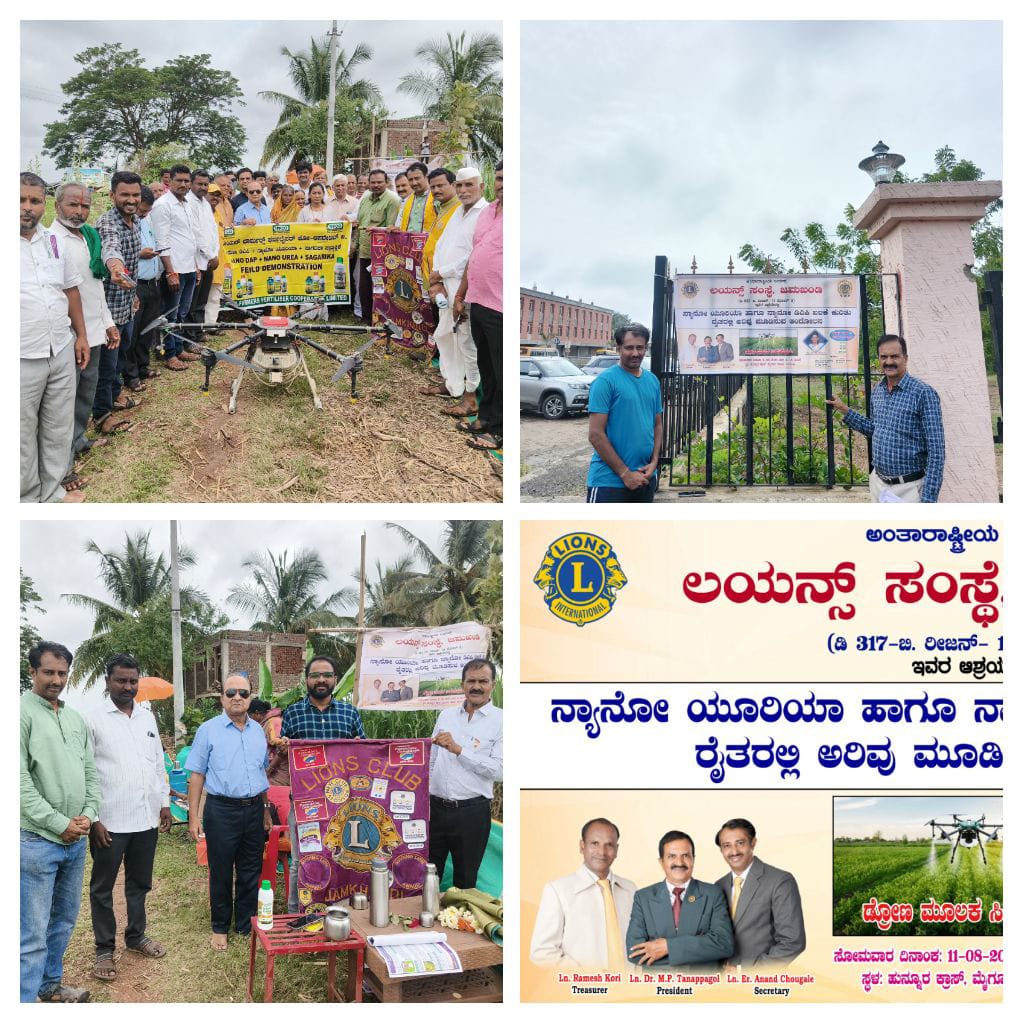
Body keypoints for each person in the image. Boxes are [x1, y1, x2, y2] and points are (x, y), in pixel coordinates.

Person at [20, 641, 100, 1002]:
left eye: (62, 673)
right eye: (48, 672)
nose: (56, 679)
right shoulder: (19, 713)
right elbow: (18, 784)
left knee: (64, 922)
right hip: (36, 840)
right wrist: (58, 823)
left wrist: (88, 814)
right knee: (31, 933)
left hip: (75, 840)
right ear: (32, 671)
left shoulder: (73, 718)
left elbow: (90, 773)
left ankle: (49, 987)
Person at [84, 654, 171, 982]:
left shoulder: (147, 718)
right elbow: (86, 770)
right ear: (108, 681)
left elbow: (158, 762)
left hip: (146, 819)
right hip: (109, 822)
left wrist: (164, 803)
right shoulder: (92, 719)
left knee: (139, 883)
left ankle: (135, 937)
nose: (127, 686)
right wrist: (93, 818)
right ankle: (104, 948)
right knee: (102, 887)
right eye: (120, 680)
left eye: (132, 680)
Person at [185, 675, 270, 950]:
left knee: (250, 869)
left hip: (255, 809)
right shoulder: (208, 730)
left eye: (243, 693)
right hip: (221, 810)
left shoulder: (258, 731)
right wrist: (194, 817)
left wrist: (266, 811)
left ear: (249, 697)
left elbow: (261, 773)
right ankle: (220, 926)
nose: (237, 697)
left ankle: (246, 924)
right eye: (231, 692)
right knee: (221, 870)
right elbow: (196, 775)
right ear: (222, 697)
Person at [21, 171, 88, 504]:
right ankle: (26, 499)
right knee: (20, 435)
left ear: (44, 204)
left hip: (60, 346)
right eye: (20, 200)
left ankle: (53, 492)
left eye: (34, 201)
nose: (27, 208)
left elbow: (71, 290)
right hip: (21, 355)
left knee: (58, 427)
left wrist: (81, 336)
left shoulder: (53, 241)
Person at [280, 655, 366, 913]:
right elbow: (284, 759)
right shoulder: (293, 713)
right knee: (301, 859)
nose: (321, 680)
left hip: (343, 803)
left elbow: (364, 753)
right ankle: (297, 912)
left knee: (341, 856)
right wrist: (286, 749)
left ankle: (337, 910)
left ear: (335, 680)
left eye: (326, 675)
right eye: (315, 675)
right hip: (305, 803)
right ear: (306, 680)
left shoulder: (349, 714)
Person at [48, 183, 117, 496]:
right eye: (73, 205)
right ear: (57, 205)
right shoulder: (51, 242)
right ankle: (62, 468)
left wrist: (108, 323)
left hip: (94, 331)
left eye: (85, 206)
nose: (79, 211)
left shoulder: (89, 236)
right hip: (69, 336)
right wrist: (80, 334)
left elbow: (95, 287)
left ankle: (79, 441)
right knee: (61, 404)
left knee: (85, 393)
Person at [825, 334, 945, 502]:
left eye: (894, 356)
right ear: (879, 359)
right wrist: (844, 409)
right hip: (879, 485)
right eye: (884, 357)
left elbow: (937, 451)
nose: (889, 362)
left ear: (906, 358)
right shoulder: (878, 391)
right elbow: (875, 429)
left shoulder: (923, 394)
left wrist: (928, 500)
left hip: (909, 489)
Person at [429, 658, 503, 889]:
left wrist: (460, 750)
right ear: (462, 685)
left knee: (465, 880)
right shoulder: (446, 716)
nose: (476, 686)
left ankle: (459, 923)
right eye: (471, 681)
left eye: (483, 681)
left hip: (471, 812)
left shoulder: (502, 720)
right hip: (435, 809)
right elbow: (432, 760)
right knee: (428, 876)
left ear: (493, 684)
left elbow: (500, 770)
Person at [530, 818, 637, 967]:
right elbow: (542, 952)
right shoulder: (557, 890)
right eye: (595, 844)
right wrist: (589, 977)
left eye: (609, 845)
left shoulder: (630, 889)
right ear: (582, 846)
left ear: (617, 850)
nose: (602, 852)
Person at [425, 167, 488, 416]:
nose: (463, 190)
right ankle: (452, 384)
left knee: (466, 342)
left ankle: (471, 396)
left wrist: (442, 273)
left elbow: (475, 257)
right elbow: (441, 245)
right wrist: (437, 279)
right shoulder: (456, 212)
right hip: (445, 285)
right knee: (445, 338)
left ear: (481, 187)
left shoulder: (485, 214)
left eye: (468, 185)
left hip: (466, 288)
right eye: (460, 185)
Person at [626, 830, 733, 972]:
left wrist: (667, 947)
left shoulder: (713, 893)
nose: (679, 862)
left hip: (704, 987)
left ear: (693, 859)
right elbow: (634, 952)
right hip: (658, 988)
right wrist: (699, 951)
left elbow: (723, 944)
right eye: (671, 856)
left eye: (686, 856)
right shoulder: (643, 897)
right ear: (661, 862)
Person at [454, 163, 503, 454]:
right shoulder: (488, 212)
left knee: (502, 370)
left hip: (500, 306)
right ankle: (485, 418)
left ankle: (499, 431)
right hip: (478, 301)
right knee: (487, 367)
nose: (503, 184)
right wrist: (461, 293)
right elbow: (476, 254)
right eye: (499, 178)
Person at [713, 818, 805, 969]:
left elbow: (792, 942)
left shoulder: (780, 881)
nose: (734, 851)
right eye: (727, 846)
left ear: (753, 843)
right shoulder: (718, 886)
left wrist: (746, 972)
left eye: (740, 843)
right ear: (721, 850)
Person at [586, 323, 663, 502]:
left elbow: (657, 424)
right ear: (618, 348)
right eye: (629, 348)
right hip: (609, 483)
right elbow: (595, 435)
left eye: (640, 347)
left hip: (645, 479)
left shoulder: (652, 381)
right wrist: (625, 474)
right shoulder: (605, 382)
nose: (635, 353)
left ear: (646, 348)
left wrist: (654, 462)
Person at [95, 170, 146, 423]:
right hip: (108, 311)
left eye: (135, 195)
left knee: (119, 358)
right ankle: (103, 414)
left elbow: (134, 265)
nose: (131, 200)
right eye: (124, 194)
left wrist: (133, 294)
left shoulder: (134, 221)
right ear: (113, 194)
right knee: (107, 364)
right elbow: (111, 247)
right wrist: (116, 268)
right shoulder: (108, 223)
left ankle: (114, 396)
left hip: (127, 305)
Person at [151, 164, 200, 369]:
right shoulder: (163, 205)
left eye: (186, 181)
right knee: (170, 315)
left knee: (182, 312)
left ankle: (179, 348)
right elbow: (161, 242)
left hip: (189, 267)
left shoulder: (188, 203)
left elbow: (191, 237)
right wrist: (170, 272)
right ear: (169, 181)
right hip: (174, 269)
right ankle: (168, 354)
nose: (183, 184)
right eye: (178, 180)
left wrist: (197, 266)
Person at [355, 169, 401, 324]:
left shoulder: (392, 200)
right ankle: (367, 318)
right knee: (365, 287)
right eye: (373, 182)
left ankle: (382, 319)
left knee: (381, 288)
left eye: (379, 182)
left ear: (386, 182)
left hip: (382, 253)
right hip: (364, 250)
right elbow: (360, 220)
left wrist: (376, 231)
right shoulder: (366, 197)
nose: (376, 185)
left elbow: (392, 229)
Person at [131, 185, 164, 380]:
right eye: (142, 210)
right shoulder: (125, 224)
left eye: (146, 211)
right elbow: (114, 256)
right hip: (136, 285)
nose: (143, 214)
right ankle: (131, 374)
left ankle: (143, 367)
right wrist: (139, 254)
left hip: (153, 283)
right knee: (133, 333)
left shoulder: (146, 222)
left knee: (147, 331)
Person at [186, 170, 220, 339]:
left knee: (202, 300)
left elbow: (213, 231)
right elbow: (196, 233)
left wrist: (214, 254)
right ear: (191, 184)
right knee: (192, 301)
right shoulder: (188, 203)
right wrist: (210, 255)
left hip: (209, 260)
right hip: (196, 261)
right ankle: (190, 336)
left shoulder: (205, 204)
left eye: (206, 184)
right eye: (199, 184)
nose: (203, 187)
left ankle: (198, 332)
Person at [248, 700, 289, 788]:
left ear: (257, 713)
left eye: (249, 716)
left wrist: (269, 769)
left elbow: (283, 748)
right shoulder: (265, 723)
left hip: (280, 772)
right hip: (273, 771)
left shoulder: (273, 722)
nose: (248, 719)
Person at [394, 161, 436, 234]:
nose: (414, 183)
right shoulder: (407, 200)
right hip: (408, 244)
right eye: (410, 180)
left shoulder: (436, 197)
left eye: (417, 178)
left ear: (426, 177)